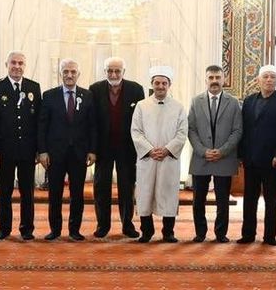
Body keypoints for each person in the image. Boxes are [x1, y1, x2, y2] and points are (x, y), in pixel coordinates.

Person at [38, 59, 96, 240]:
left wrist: (92, 150)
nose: (69, 75)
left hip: (79, 154)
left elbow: (93, 126)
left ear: (78, 74)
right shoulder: (49, 95)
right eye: (66, 72)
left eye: (73, 72)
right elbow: (42, 126)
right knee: (55, 194)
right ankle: (55, 230)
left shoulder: (88, 96)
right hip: (55, 154)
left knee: (77, 194)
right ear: (60, 74)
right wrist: (42, 151)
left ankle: (74, 230)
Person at [0, 52, 42, 240]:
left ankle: (27, 229)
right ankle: (4, 228)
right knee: (4, 192)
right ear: (6, 64)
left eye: (20, 63)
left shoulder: (34, 87)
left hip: (27, 151)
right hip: (4, 151)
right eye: (13, 63)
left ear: (25, 66)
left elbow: (38, 122)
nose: (17, 66)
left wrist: (38, 150)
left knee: (28, 192)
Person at [238, 65, 276, 245]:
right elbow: (244, 130)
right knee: (249, 200)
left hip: (273, 161)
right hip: (251, 159)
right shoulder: (249, 101)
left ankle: (269, 236)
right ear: (258, 80)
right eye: (266, 76)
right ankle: (248, 234)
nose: (269, 79)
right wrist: (241, 155)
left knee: (271, 201)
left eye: (272, 77)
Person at [130, 66, 188, 243]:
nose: (160, 86)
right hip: (148, 158)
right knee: (145, 193)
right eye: (157, 83)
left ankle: (168, 232)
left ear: (169, 85)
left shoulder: (178, 107)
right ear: (152, 84)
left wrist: (167, 149)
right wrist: (149, 150)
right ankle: (146, 231)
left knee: (168, 193)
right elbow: (136, 131)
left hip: (168, 159)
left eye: (164, 83)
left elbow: (182, 133)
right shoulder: (141, 106)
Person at [90, 56, 146, 239]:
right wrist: (92, 149)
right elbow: (91, 122)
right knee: (101, 188)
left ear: (124, 72)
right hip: (102, 149)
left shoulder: (136, 89)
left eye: (117, 71)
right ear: (104, 71)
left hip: (127, 148)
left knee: (127, 188)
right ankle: (102, 225)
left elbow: (141, 120)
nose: (113, 74)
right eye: (110, 71)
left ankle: (127, 225)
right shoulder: (95, 89)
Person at [187, 64, 242, 243]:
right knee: (198, 199)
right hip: (201, 158)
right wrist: (203, 151)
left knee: (222, 200)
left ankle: (220, 233)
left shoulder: (233, 102)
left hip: (224, 158)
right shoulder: (196, 101)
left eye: (218, 77)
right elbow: (191, 129)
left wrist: (222, 151)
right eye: (211, 78)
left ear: (223, 79)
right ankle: (200, 233)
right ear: (206, 80)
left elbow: (237, 131)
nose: (214, 81)